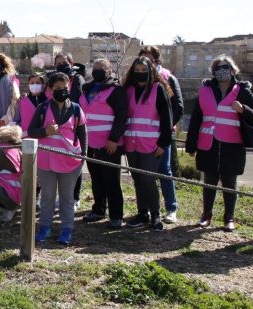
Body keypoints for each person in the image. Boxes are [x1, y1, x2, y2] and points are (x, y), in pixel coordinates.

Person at [185, 55, 253, 231]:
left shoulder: (243, 91)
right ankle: (206, 215)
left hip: (232, 144)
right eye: (218, 68)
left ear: (233, 70)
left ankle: (229, 218)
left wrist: (243, 109)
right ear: (213, 72)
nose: (222, 71)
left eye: (226, 67)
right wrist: (191, 144)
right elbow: (195, 119)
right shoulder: (205, 90)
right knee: (209, 181)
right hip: (208, 143)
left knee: (229, 182)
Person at [29, 72, 88, 244]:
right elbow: (32, 130)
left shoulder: (76, 109)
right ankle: (45, 227)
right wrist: (44, 132)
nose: (61, 91)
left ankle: (67, 229)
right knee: (47, 196)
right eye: (57, 88)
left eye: (65, 88)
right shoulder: (43, 108)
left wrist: (83, 155)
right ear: (49, 89)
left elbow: (83, 133)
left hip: (70, 161)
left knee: (67, 197)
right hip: (46, 161)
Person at [121, 56, 173, 231]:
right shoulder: (127, 90)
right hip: (131, 143)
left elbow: (167, 120)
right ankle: (142, 213)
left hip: (151, 144)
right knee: (137, 179)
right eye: (137, 71)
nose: (140, 74)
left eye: (144, 71)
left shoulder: (158, 90)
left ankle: (155, 215)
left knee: (148, 179)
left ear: (151, 71)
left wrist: (163, 144)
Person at [79, 59, 128, 228]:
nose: (97, 71)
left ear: (109, 70)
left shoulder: (117, 90)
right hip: (90, 143)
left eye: (102, 68)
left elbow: (122, 117)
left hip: (109, 144)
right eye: (95, 68)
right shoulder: (87, 88)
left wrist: (114, 139)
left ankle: (116, 215)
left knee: (112, 181)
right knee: (96, 178)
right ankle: (98, 209)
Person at [140, 45, 184, 224]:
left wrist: (166, 129)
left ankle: (171, 208)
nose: (146, 62)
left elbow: (178, 108)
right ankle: (148, 210)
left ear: (156, 60)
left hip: (162, 135)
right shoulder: (138, 80)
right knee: (144, 174)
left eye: (149, 58)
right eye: (143, 58)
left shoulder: (168, 78)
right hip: (142, 135)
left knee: (165, 171)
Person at [50, 51, 86, 210]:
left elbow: (77, 102)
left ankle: (75, 197)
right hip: (55, 129)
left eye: (63, 63)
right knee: (58, 164)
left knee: (74, 162)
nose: (60, 66)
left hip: (73, 125)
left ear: (71, 63)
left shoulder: (77, 79)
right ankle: (61, 196)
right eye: (57, 64)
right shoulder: (51, 80)